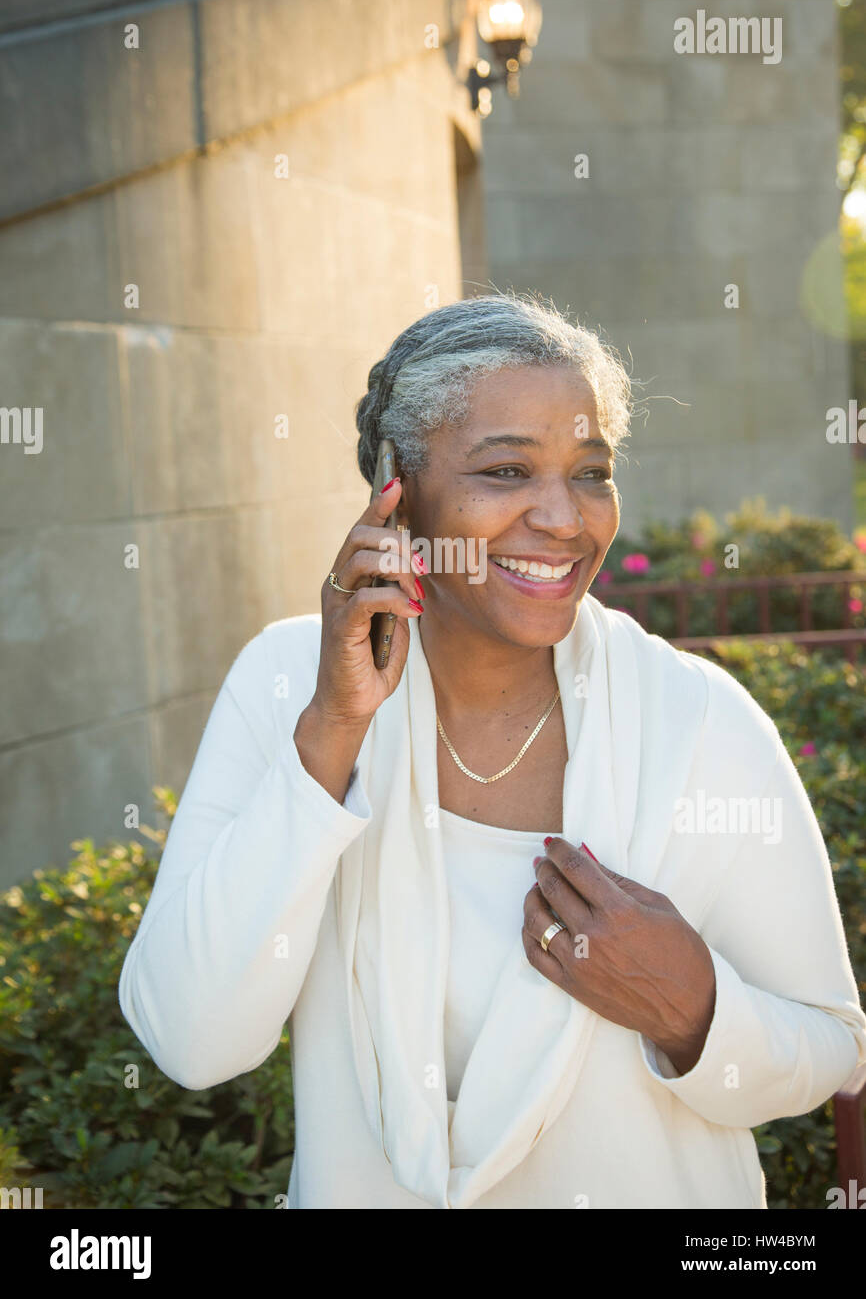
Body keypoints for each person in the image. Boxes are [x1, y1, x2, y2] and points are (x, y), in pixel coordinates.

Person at [119, 293, 866, 1209]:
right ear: (396, 486)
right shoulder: (287, 683)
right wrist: (332, 732)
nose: (564, 518)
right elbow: (192, 1039)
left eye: (591, 473)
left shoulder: (699, 721)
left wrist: (692, 1010)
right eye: (508, 471)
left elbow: (830, 1048)